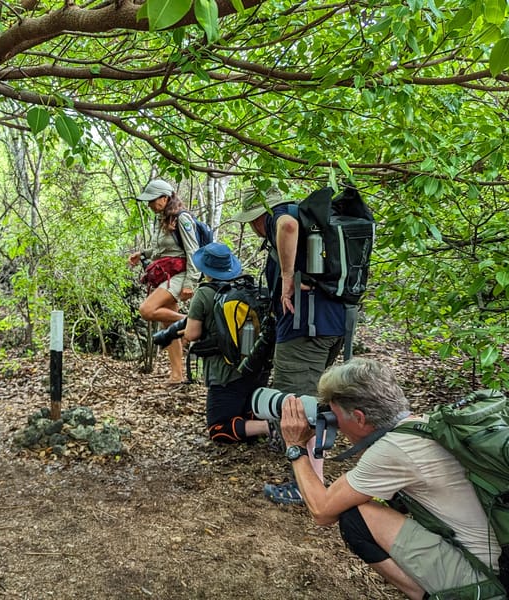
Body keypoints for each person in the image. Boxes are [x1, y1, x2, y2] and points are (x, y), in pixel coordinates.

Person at [279, 358, 504, 600]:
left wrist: (296, 446)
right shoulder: (423, 425)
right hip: (501, 558)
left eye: (335, 417)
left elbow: (322, 511)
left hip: (488, 578)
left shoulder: (393, 450)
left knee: (355, 518)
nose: (337, 426)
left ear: (360, 418)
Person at [234, 187, 345, 503]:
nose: (255, 229)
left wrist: (285, 278)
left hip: (304, 329)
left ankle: (307, 486)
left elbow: (287, 228)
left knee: (296, 404)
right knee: (308, 399)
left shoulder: (285, 217)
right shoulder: (314, 226)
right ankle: (310, 478)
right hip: (328, 325)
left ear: (261, 215)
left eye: (254, 221)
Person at [181, 242, 271, 444]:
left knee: (218, 429)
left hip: (225, 374)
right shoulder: (247, 288)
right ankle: (260, 424)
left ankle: (271, 427)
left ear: (206, 270)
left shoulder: (204, 293)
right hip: (257, 369)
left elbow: (192, 333)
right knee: (246, 414)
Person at [128, 179, 201, 384]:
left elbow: (192, 251)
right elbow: (162, 249)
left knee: (147, 310)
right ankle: (176, 375)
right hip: (166, 274)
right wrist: (142, 253)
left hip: (180, 275)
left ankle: (194, 323)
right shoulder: (162, 219)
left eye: (153, 200)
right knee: (169, 325)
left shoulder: (182, 219)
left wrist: (190, 283)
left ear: (165, 198)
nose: (150, 204)